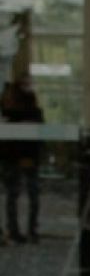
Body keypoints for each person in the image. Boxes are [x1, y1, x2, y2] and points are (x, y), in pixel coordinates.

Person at [1, 75, 43, 244]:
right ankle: (28, 230)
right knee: (26, 194)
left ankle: (17, 230)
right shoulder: (32, 112)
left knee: (15, 194)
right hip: (22, 156)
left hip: (17, 157)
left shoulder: (11, 113)